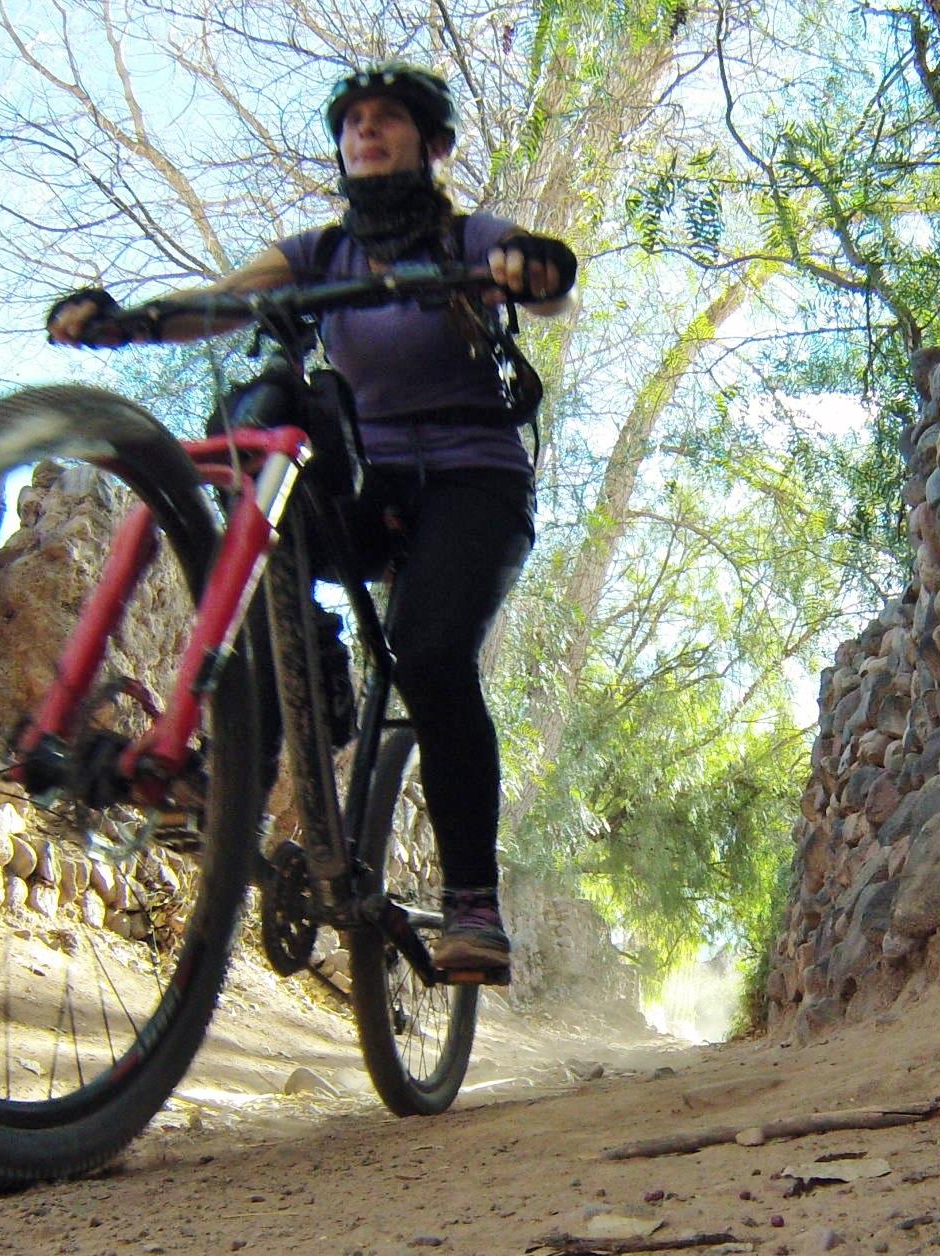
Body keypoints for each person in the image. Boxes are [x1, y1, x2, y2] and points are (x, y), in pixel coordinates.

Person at [46, 63, 576, 975]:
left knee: (431, 655)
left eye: (389, 121)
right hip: (368, 484)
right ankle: (269, 715)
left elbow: (546, 280)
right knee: (265, 440)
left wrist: (531, 269)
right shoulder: (319, 254)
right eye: (353, 123)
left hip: (471, 481)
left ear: (432, 144)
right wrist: (125, 323)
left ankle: (472, 902)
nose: (366, 134)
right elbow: (220, 302)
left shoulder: (467, 238)